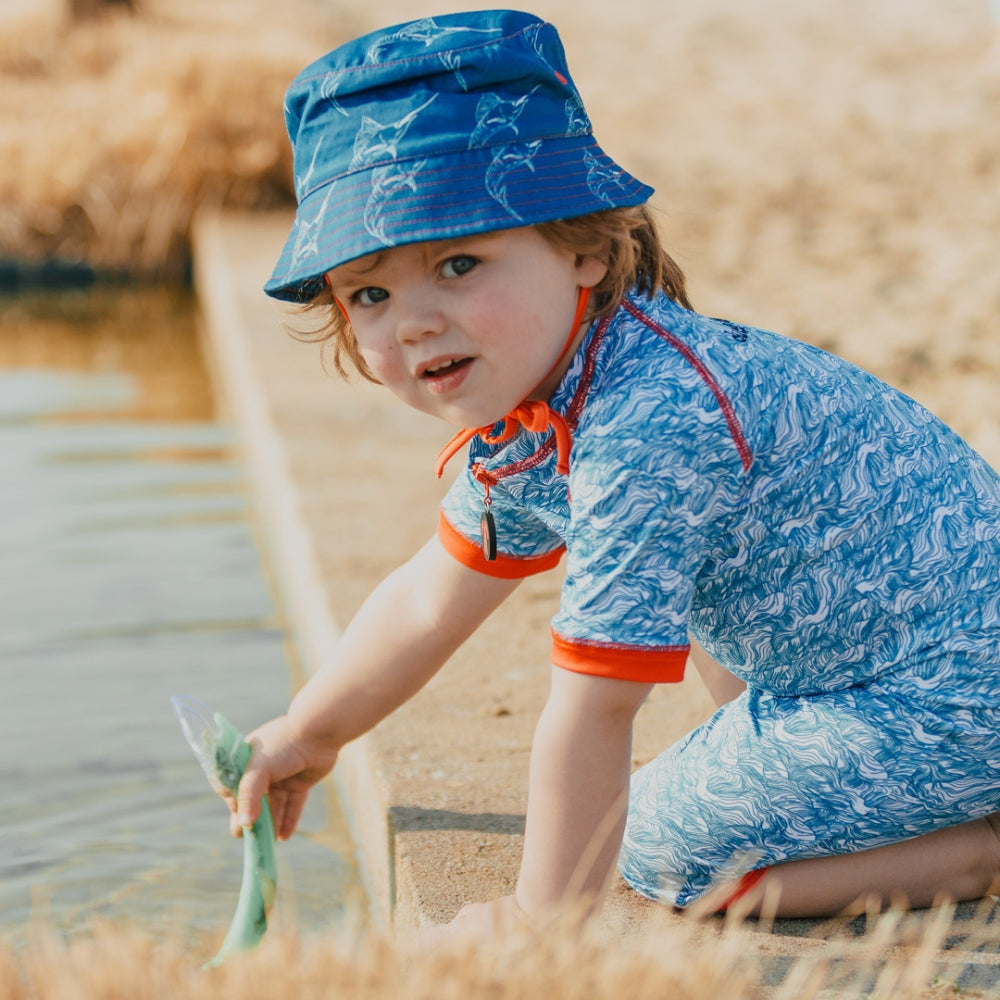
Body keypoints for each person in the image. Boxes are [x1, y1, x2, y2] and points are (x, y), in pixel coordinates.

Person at [228, 9, 1000, 937]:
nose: (415, 321)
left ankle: (977, 846)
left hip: (950, 688)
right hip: (886, 653)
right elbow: (433, 596)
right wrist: (310, 736)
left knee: (661, 850)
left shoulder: (646, 425)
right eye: (372, 293)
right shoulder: (554, 399)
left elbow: (597, 705)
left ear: (586, 249)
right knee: (696, 595)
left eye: (460, 263)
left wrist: (541, 920)